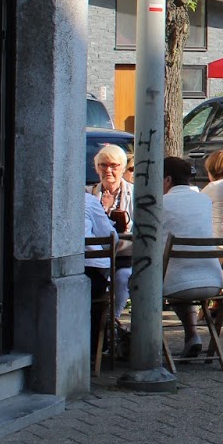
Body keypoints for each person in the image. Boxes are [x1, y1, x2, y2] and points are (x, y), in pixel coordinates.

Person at [160, 155, 223, 358]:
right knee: (180, 273)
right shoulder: (204, 200)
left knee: (139, 282)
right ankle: (192, 335)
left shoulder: (161, 203)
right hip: (213, 281)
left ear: (167, 179)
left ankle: (144, 343)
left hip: (177, 283)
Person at [87, 144, 134, 325]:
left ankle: (111, 321)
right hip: (99, 258)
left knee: (121, 279)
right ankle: (99, 326)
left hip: (125, 256)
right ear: (97, 168)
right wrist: (105, 210)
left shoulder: (134, 193)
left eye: (114, 165)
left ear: (122, 168)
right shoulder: (88, 194)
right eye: (103, 165)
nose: (108, 170)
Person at [83, 188, 129, 359]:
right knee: (98, 294)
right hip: (90, 274)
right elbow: (111, 237)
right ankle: (95, 349)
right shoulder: (87, 200)